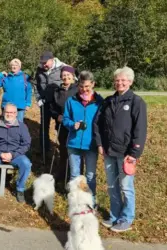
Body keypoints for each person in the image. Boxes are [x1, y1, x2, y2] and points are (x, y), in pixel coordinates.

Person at [93, 66, 147, 232]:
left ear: (130, 82)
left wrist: (134, 153)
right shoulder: (108, 101)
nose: (120, 83)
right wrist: (100, 144)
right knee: (111, 186)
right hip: (109, 151)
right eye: (117, 80)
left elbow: (140, 129)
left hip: (125, 154)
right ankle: (115, 216)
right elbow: (97, 124)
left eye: (123, 80)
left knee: (126, 188)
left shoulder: (137, 102)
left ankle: (126, 218)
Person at [62, 71, 103, 205]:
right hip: (73, 143)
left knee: (90, 175)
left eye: (86, 86)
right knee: (74, 175)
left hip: (91, 144)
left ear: (93, 84)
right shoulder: (71, 101)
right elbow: (65, 119)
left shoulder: (99, 102)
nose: (84, 89)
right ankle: (75, 200)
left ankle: (91, 200)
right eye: (80, 86)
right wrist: (72, 125)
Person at [0, 103, 32, 203]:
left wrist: (12, 154)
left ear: (16, 114)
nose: (9, 114)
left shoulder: (22, 126)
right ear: (3, 112)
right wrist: (0, 153)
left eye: (12, 112)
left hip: (15, 154)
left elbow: (26, 144)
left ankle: (19, 189)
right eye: (7, 112)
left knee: (26, 164)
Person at [50, 66, 79, 182]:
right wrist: (57, 116)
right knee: (63, 150)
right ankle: (62, 175)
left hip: (75, 126)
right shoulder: (57, 91)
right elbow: (52, 108)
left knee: (75, 153)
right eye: (64, 75)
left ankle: (75, 176)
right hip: (62, 125)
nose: (66, 77)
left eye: (68, 75)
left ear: (73, 76)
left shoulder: (78, 89)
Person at [35, 51, 68, 151]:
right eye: (42, 62)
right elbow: (36, 85)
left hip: (58, 103)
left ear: (52, 59)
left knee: (60, 126)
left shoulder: (63, 67)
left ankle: (63, 149)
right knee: (44, 127)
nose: (44, 64)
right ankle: (44, 150)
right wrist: (38, 98)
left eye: (46, 62)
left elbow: (72, 82)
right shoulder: (40, 70)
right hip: (44, 102)